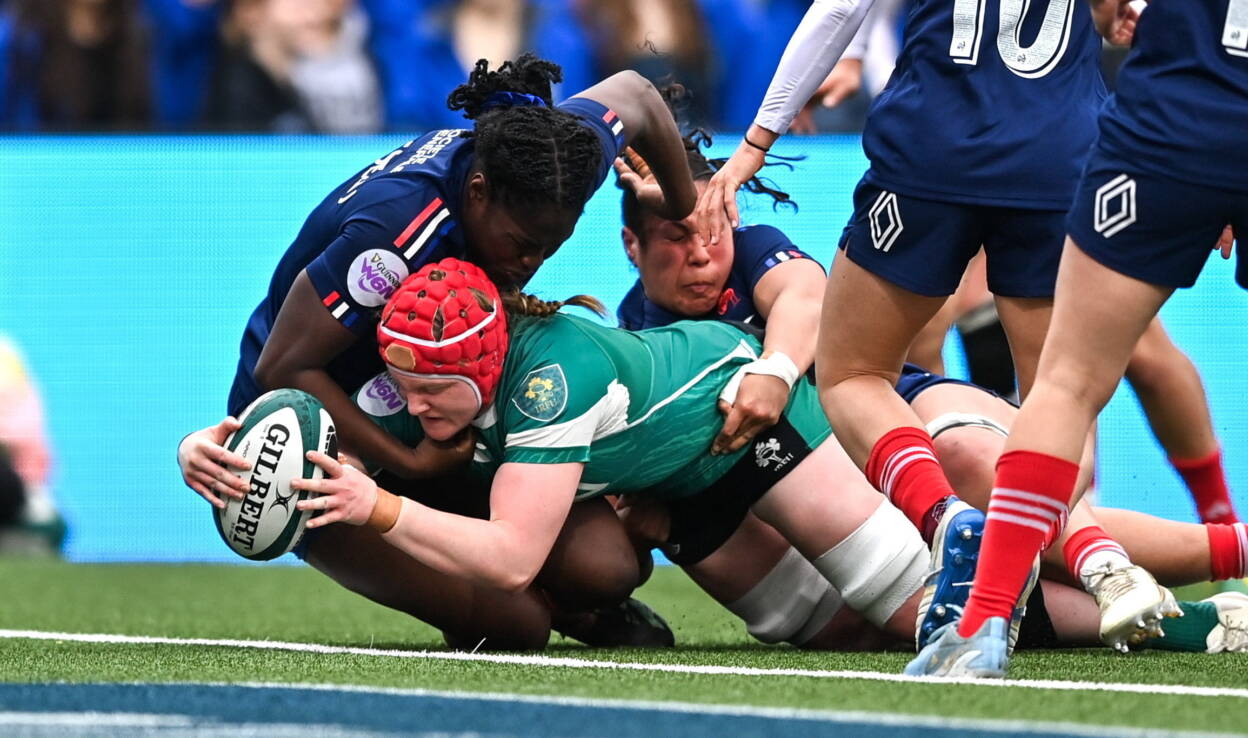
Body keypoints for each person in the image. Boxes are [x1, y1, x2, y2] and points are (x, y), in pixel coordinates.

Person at [614, 141, 1246, 652]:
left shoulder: (758, 252)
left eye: (712, 229)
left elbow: (804, 300)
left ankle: (1167, 556)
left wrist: (776, 370)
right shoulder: (636, 336)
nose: (700, 253)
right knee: (892, 619)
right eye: (676, 236)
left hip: (890, 416)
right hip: (825, 484)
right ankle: (1187, 618)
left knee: (976, 466)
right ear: (631, 245)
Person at [689, 0, 1178, 655]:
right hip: (1059, 156)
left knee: (854, 374)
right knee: (1062, 403)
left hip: (932, 149)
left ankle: (950, 520)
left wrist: (757, 140)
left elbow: (839, 9)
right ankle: (1096, 562)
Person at [177, 52, 697, 648]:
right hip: (321, 441)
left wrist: (680, 206)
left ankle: (571, 604)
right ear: (477, 192)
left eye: (553, 246)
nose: (532, 265)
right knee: (517, 629)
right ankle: (529, 606)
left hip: (429, 418)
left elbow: (635, 94)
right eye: (523, 245)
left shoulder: (553, 156)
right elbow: (283, 366)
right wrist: (411, 466)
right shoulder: (395, 239)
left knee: (605, 568)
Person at [291, 257, 943, 648]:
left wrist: (376, 507)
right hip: (679, 489)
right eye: (404, 389)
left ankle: (1023, 572)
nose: (413, 406)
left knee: (916, 609)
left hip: (743, 426)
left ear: (487, 371)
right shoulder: (432, 381)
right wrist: (214, 447)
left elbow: (512, 558)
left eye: (433, 392)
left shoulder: (550, 385)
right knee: (835, 636)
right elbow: (325, 445)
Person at [909, 0, 1248, 677]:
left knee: (1066, 382)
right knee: (1098, 369)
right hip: (1109, 123)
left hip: (1170, 117)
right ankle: (1153, 550)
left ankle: (984, 625)